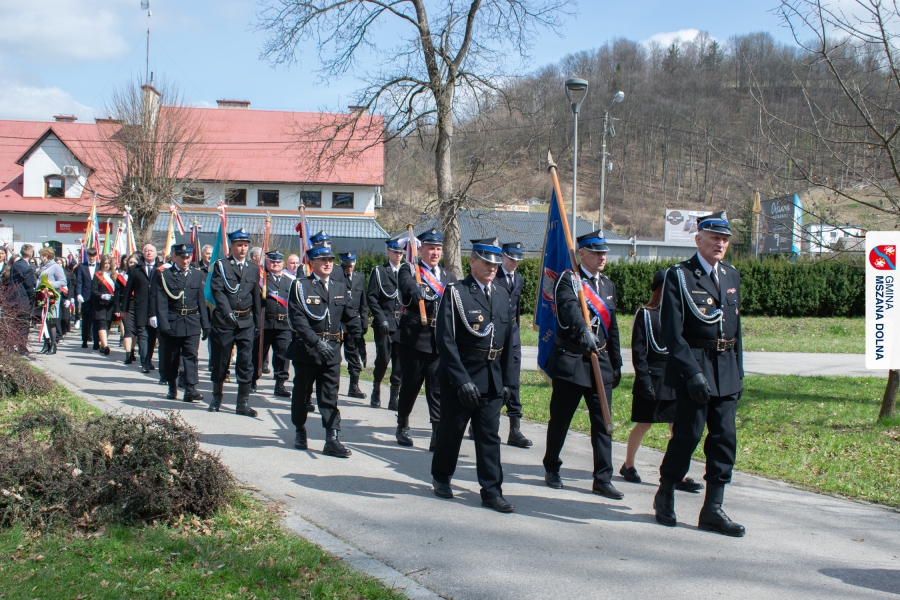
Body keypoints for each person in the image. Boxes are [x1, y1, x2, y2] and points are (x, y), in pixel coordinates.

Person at [653, 212, 746, 537]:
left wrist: (739, 372)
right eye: (714, 237)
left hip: (726, 368)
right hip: (694, 366)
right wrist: (691, 373)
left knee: (725, 438)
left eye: (725, 239)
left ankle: (713, 509)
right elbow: (672, 332)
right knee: (688, 436)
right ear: (699, 239)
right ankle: (666, 490)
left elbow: (736, 329)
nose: (720, 243)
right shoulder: (679, 276)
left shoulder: (731, 275)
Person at [431, 238, 517, 512]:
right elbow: (445, 341)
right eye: (486, 262)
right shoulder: (456, 293)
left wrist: (508, 383)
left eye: (495, 264)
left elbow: (509, 343)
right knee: (452, 430)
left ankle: (491, 491)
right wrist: (461, 380)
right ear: (472, 261)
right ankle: (441, 476)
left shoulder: (502, 294)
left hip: (492, 379)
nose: (492, 268)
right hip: (462, 378)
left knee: (489, 436)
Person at [542, 230, 625, 500]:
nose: (602, 257)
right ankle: (551, 466)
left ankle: (603, 478)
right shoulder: (568, 279)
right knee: (561, 419)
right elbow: (568, 309)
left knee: (603, 422)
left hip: (600, 362)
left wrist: (616, 363)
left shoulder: (608, 285)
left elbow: (613, 328)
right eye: (596, 252)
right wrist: (582, 330)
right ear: (582, 254)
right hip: (572, 360)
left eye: (604, 253)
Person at [620, 270, 703, 494]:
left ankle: (678, 473)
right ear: (660, 289)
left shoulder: (681, 315)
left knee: (678, 428)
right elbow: (638, 350)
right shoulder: (645, 314)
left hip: (675, 378)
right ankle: (628, 465)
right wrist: (643, 379)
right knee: (644, 424)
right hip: (652, 377)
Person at [287, 242, 362, 457]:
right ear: (312, 263)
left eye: (330, 260)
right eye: (323, 260)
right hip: (308, 351)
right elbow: (298, 319)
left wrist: (359, 339)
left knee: (330, 396)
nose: (328, 263)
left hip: (332, 351)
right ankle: (300, 429)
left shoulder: (339, 287)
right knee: (302, 395)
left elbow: (349, 316)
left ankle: (332, 439)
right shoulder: (301, 286)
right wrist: (315, 342)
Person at [395, 229, 458, 450]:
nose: (435, 253)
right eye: (431, 248)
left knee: (437, 386)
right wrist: (414, 288)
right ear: (421, 249)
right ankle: (402, 424)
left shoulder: (449, 277)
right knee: (411, 385)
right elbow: (405, 283)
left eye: (438, 249)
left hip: (439, 341)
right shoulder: (411, 269)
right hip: (414, 339)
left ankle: (437, 433)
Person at [207, 229, 261, 416]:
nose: (243, 249)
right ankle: (216, 397)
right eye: (239, 245)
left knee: (245, 362)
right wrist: (227, 312)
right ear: (231, 246)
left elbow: (255, 296)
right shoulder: (221, 265)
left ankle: (242, 403)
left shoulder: (253, 268)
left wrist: (258, 323)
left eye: (246, 245)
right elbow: (217, 291)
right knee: (221, 360)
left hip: (245, 321)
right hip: (224, 321)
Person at [155, 244, 209, 403]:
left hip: (192, 321)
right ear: (174, 257)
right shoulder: (165, 275)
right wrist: (164, 325)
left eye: (188, 257)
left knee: (191, 355)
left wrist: (205, 324)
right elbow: (161, 303)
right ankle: (172, 385)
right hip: (174, 321)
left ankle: (190, 388)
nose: (185, 261)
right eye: (182, 257)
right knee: (172, 356)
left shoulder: (197, 275)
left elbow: (201, 300)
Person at [494, 241, 532, 448]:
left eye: (518, 258)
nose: (515, 262)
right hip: (496, 332)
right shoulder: (494, 276)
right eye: (511, 258)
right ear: (502, 256)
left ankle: (514, 429)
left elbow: (516, 310)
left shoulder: (519, 279)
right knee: (492, 379)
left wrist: (516, 334)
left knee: (513, 380)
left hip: (513, 334)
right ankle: (481, 422)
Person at [366, 239, 404, 409]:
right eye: (395, 252)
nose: (398, 255)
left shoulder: (406, 272)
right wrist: (381, 318)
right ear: (388, 252)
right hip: (385, 322)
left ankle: (394, 397)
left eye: (400, 252)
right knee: (383, 359)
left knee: (399, 361)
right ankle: (376, 388)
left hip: (401, 323)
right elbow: (372, 297)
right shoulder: (379, 271)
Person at [252, 251, 294, 398]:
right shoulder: (262, 280)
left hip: (283, 325)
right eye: (272, 261)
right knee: (258, 353)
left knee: (282, 355)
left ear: (283, 264)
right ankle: (252, 380)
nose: (275, 264)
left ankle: (280, 384)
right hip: (265, 323)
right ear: (267, 263)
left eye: (278, 262)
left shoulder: (289, 281)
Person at [125, 245, 161, 373]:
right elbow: (128, 290)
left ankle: (149, 360)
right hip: (141, 307)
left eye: (151, 251)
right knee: (142, 335)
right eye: (146, 251)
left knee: (152, 336)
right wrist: (124, 308)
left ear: (155, 253)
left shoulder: (161, 269)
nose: (149, 253)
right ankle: (144, 362)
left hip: (156, 308)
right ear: (143, 254)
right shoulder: (135, 269)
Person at [339, 251, 369, 399]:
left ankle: (354, 386)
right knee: (332, 356)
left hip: (354, 322)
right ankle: (330, 385)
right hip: (339, 321)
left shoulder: (359, 277)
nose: (349, 268)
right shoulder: (336, 277)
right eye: (347, 266)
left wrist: (364, 322)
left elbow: (363, 302)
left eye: (351, 265)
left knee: (354, 355)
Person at [36, 247, 66, 354]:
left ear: (47, 256)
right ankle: (46, 344)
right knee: (44, 321)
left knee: (51, 321)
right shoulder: (43, 267)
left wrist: (49, 284)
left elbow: (63, 281)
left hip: (52, 298)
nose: (40, 258)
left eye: (42, 255)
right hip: (43, 297)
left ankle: (53, 345)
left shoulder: (56, 267)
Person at [90, 254, 117, 355]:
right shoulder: (97, 275)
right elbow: (94, 290)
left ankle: (102, 344)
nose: (107, 265)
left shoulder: (114, 276)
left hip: (111, 304)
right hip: (100, 304)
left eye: (109, 263)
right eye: (105, 263)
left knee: (108, 324)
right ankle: (105, 346)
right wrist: (101, 296)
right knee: (102, 323)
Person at [115, 254, 138, 365]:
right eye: (130, 262)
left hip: (138, 304)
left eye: (134, 262)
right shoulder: (121, 276)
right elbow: (117, 294)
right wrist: (117, 308)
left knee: (135, 330)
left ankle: (133, 350)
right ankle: (128, 353)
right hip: (127, 305)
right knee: (128, 329)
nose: (132, 264)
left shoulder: (140, 274)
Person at [75, 247, 99, 349]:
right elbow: (79, 281)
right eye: (90, 256)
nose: (92, 258)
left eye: (93, 256)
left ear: (96, 256)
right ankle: (84, 340)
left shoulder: (99, 266)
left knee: (96, 319)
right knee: (86, 319)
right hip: (86, 295)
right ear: (87, 256)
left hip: (97, 297)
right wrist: (78, 293)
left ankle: (96, 342)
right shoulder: (82, 266)